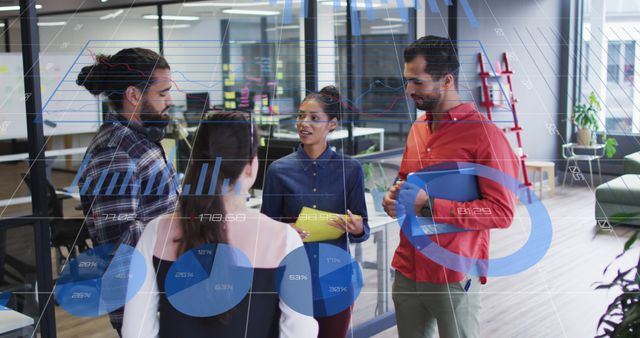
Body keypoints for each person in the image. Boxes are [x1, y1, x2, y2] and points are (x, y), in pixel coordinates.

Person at [122, 111, 318, 338]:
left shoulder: (157, 233)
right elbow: (300, 333)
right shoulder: (284, 240)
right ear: (251, 166)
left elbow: (135, 332)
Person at [383, 36, 520, 338]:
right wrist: (395, 196)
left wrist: (429, 205)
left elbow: (502, 212)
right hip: (407, 268)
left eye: (417, 83)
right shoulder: (418, 128)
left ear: (446, 80)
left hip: (453, 273)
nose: (409, 90)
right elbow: (406, 181)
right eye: (407, 82)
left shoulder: (484, 134)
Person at [75, 48, 179, 335]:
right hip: (142, 300)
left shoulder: (139, 140)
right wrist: (183, 228)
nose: (169, 100)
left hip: (162, 289)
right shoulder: (115, 152)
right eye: (163, 93)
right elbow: (119, 244)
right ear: (134, 95)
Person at [261, 86, 370, 338]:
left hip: (336, 277)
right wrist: (284, 230)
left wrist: (358, 227)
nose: (303, 123)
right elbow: (267, 228)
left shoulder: (351, 169)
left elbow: (362, 226)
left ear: (332, 124)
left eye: (313, 118)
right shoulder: (278, 170)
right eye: (300, 116)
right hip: (292, 277)